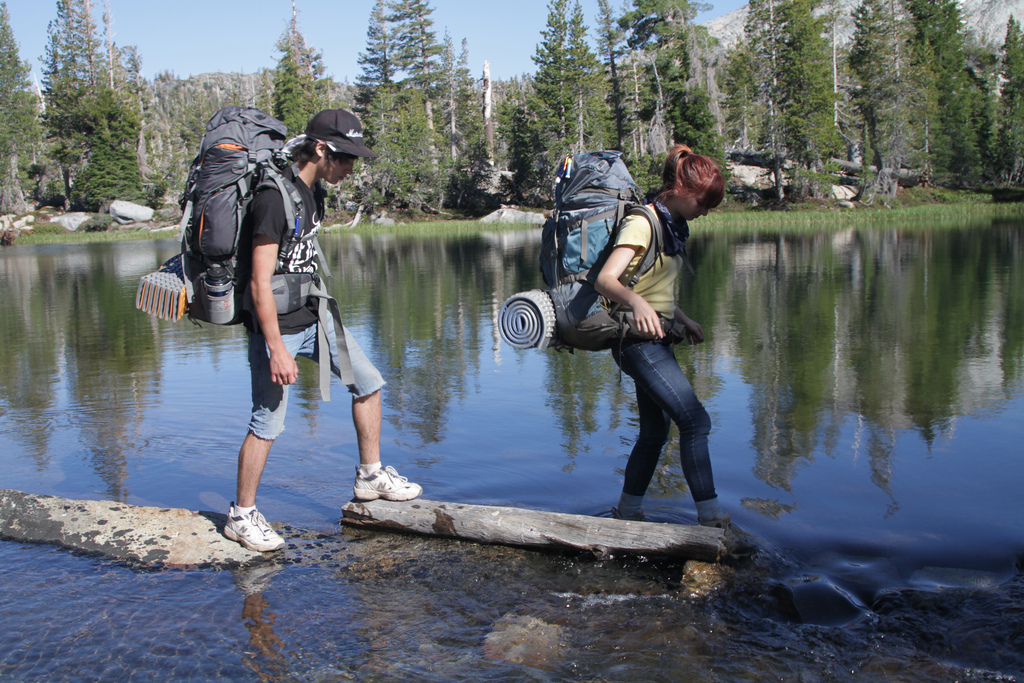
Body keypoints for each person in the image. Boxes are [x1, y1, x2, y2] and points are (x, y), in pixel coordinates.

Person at [223, 109, 422, 553]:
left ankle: (370, 476)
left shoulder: (313, 193)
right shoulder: (273, 199)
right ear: (320, 149)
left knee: (368, 383)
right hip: (277, 330)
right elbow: (259, 282)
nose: (352, 168)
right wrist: (276, 348)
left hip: (317, 316)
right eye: (346, 158)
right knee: (267, 423)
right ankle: (242, 515)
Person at [594, 144, 752, 557]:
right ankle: (711, 520)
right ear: (682, 188)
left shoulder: (673, 226)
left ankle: (627, 515)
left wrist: (681, 318)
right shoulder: (643, 223)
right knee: (695, 422)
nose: (706, 210)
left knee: (655, 432)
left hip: (657, 338)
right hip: (635, 342)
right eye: (704, 201)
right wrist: (639, 305)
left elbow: (652, 287)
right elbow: (607, 281)